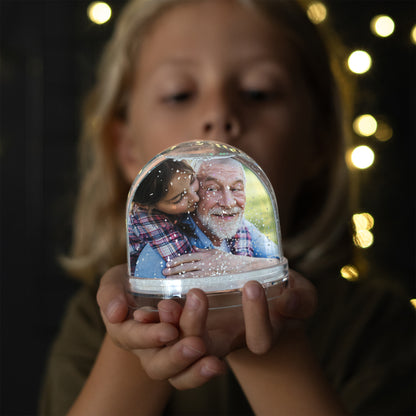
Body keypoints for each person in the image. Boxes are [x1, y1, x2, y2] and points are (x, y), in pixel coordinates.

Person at [39, 0, 415, 415]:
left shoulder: (377, 326)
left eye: (259, 92)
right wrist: (139, 328)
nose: (218, 114)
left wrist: (271, 340)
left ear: (319, 142)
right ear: (127, 148)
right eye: (179, 94)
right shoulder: (94, 324)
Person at [135, 156, 279, 279]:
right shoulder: (158, 256)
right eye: (212, 189)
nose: (228, 203)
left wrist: (239, 265)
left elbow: (282, 263)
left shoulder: (243, 229)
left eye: (236, 189)